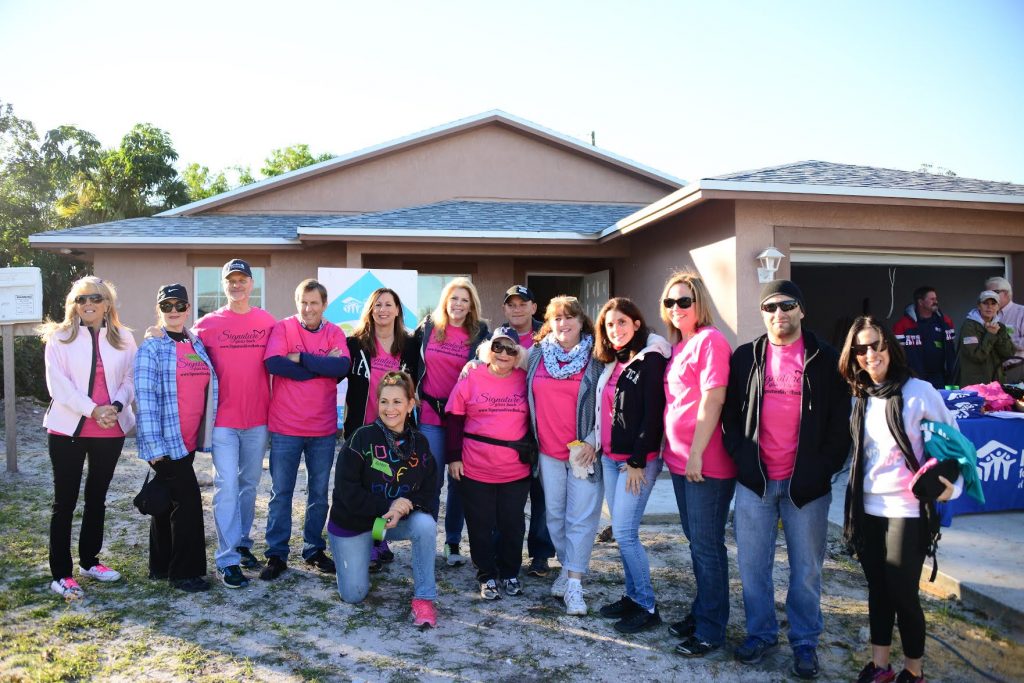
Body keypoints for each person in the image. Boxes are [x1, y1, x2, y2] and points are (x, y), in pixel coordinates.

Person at [721, 280, 852, 679]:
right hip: (756, 483)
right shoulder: (746, 357)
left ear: (801, 310)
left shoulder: (826, 358)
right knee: (752, 565)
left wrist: (822, 469)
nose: (779, 313)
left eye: (787, 305)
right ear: (763, 314)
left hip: (806, 488)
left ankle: (805, 641)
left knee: (807, 568)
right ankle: (760, 633)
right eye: (770, 307)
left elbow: (839, 424)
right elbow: (730, 417)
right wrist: (744, 463)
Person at [839, 316, 962, 683]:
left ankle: (914, 670)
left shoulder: (919, 391)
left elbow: (953, 445)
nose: (870, 354)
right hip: (868, 507)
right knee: (878, 590)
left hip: (906, 509)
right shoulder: (859, 395)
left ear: (890, 345)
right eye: (860, 348)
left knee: (903, 593)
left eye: (876, 344)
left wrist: (946, 488)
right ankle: (880, 666)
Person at [40, 276, 137, 600]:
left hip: (111, 428)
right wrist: (93, 409)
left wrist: (117, 406)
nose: (88, 304)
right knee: (64, 502)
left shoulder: (124, 338)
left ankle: (89, 561)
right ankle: (61, 574)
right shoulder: (60, 337)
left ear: (107, 303)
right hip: (68, 429)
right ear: (73, 304)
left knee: (97, 497)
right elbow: (59, 386)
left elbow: (129, 377)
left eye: (95, 298)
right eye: (81, 299)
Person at [659, 271, 736, 657]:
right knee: (696, 543)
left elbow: (713, 400)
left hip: (705, 464)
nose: (676, 308)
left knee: (707, 546)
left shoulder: (711, 341)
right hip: (680, 461)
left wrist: (695, 454)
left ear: (699, 303)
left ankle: (711, 630)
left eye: (684, 301)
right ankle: (703, 610)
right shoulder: (679, 346)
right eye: (670, 302)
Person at [328, 371, 438, 628]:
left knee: (425, 524)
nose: (390, 409)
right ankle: (361, 550)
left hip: (388, 523)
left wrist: (404, 507)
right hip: (355, 522)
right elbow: (346, 491)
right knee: (353, 596)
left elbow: (429, 490)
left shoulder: (420, 443)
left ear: (411, 404)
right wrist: (389, 505)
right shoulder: (360, 438)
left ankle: (424, 598)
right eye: (384, 401)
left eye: (397, 402)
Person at [192, 258, 276, 588]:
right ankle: (227, 559)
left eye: (242, 280)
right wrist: (156, 332)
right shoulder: (208, 324)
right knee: (225, 486)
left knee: (248, 485)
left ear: (252, 285)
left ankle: (241, 543)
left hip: (258, 420)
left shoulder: (267, 322)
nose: (237, 285)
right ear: (224, 285)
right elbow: (181, 348)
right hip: (222, 422)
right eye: (231, 280)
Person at [260, 279, 351, 580]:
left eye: (314, 303)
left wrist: (300, 358)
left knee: (318, 494)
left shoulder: (335, 332)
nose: (308, 308)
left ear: (324, 305)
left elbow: (341, 368)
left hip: (323, 428)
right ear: (296, 302)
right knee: (280, 492)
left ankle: (313, 549)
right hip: (286, 427)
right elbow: (274, 363)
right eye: (304, 302)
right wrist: (319, 366)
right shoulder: (284, 328)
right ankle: (276, 553)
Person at [594, 297, 671, 634]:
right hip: (611, 459)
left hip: (636, 462)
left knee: (625, 533)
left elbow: (654, 414)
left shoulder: (650, 360)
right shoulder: (616, 361)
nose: (616, 330)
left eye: (622, 322)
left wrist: (639, 459)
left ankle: (647, 606)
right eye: (610, 325)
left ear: (637, 324)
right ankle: (632, 595)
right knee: (623, 532)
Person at [134, 284, 216, 592]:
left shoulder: (195, 344)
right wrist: (153, 446)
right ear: (159, 310)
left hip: (189, 440)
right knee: (189, 504)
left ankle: (160, 566)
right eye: (166, 306)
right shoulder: (152, 348)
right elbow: (144, 397)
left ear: (188, 308)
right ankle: (185, 573)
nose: (173, 311)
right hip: (166, 443)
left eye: (179, 304)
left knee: (169, 502)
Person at [525, 295, 603, 615]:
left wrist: (594, 440)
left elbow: (608, 402)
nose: (563, 323)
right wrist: (475, 362)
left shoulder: (597, 357)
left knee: (580, 518)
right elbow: (498, 361)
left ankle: (574, 584)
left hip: (584, 452)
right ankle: (567, 566)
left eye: (570, 317)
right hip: (548, 452)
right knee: (555, 516)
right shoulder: (536, 354)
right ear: (549, 323)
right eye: (557, 318)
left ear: (582, 322)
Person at [446, 326, 531, 600]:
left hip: (515, 469)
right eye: (498, 347)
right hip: (475, 466)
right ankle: (486, 575)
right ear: (488, 350)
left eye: (510, 349)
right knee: (480, 524)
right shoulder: (472, 376)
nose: (503, 353)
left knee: (513, 525)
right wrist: (453, 457)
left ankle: (509, 573)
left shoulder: (525, 379)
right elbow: (455, 419)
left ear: (518, 354)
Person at [411, 277, 489, 567]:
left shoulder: (480, 333)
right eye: (454, 298)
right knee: (431, 481)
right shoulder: (429, 326)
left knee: (459, 481)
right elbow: (409, 357)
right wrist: (411, 390)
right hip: (431, 414)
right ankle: (426, 540)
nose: (458, 304)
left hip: (463, 418)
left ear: (471, 306)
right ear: (445, 301)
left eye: (464, 300)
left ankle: (452, 542)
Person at [345, 287, 418, 571]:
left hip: (395, 430)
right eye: (378, 305)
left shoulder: (409, 345)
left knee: (385, 487)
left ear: (398, 310)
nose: (383, 310)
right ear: (370, 310)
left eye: (389, 305)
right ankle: (365, 543)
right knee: (363, 487)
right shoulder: (355, 344)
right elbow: (334, 372)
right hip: (362, 430)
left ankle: (378, 540)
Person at [502, 284, 555, 578]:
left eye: (523, 303)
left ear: (535, 308)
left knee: (543, 494)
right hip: (509, 425)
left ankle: (541, 554)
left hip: (542, 424)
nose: (517, 308)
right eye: (511, 304)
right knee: (511, 495)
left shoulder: (548, 336)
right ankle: (505, 550)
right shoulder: (494, 336)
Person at [892, 286, 957, 389]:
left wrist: (953, 379)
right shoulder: (902, 325)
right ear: (921, 302)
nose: (936, 302)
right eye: (932, 299)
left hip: (940, 379)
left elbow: (951, 353)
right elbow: (896, 356)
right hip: (914, 380)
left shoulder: (945, 322)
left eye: (936, 299)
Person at [957, 289, 1014, 386]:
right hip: (975, 384)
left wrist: (996, 334)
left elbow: (1008, 353)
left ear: (998, 307)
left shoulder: (1000, 326)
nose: (989, 307)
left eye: (993, 304)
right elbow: (977, 356)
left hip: (996, 382)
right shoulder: (969, 326)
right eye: (985, 303)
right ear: (979, 306)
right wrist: (991, 335)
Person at [984, 276, 1024, 383]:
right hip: (993, 372)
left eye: (994, 292)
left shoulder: (1021, 312)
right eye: (986, 292)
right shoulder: (986, 314)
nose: (989, 296)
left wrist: (1007, 343)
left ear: (1006, 294)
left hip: (1016, 369)